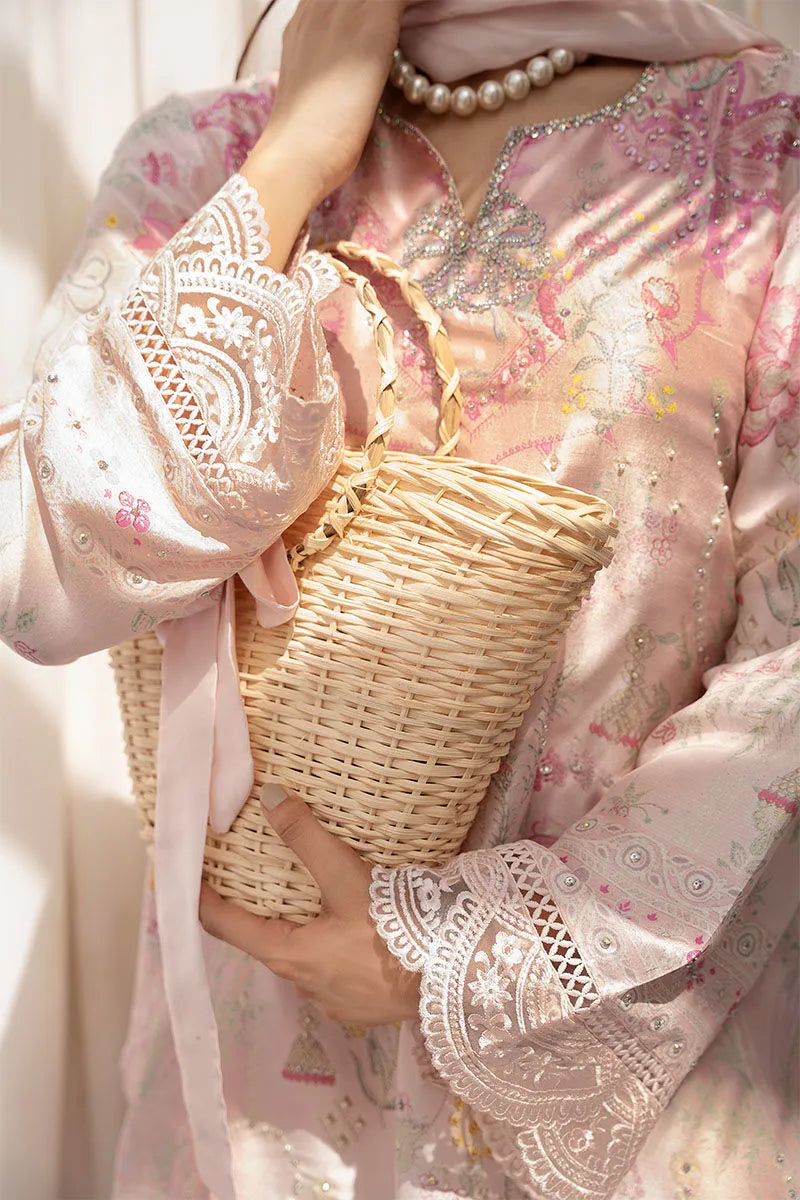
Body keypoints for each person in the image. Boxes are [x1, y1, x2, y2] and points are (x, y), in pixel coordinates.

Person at [1, 1, 798, 1197]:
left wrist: (469, 959)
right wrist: (290, 161)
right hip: (262, 1091)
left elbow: (785, 664)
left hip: (610, 1069)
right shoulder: (203, 155)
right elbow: (39, 568)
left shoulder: (761, 153)